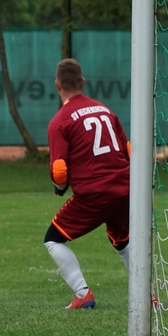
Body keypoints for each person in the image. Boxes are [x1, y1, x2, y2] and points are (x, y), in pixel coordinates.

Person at [44, 58, 131, 309]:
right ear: (82, 82)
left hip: (94, 194)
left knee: (52, 239)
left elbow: (59, 170)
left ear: (57, 85)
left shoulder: (60, 121)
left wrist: (59, 189)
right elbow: (128, 150)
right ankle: (149, 295)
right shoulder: (106, 111)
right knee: (124, 241)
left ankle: (83, 293)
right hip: (125, 188)